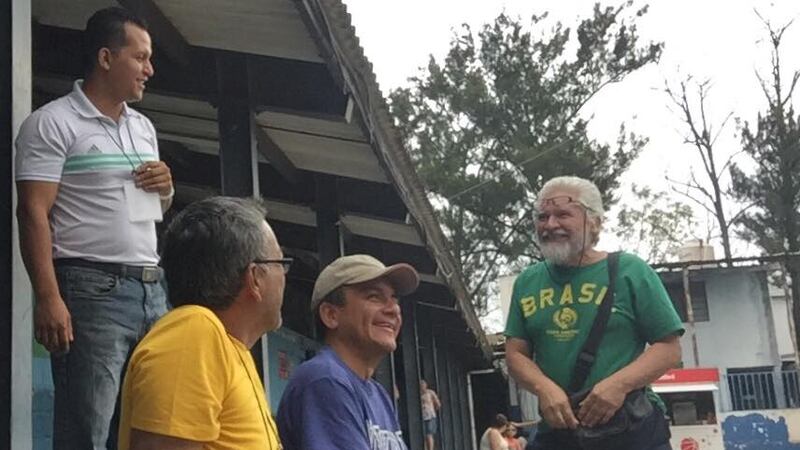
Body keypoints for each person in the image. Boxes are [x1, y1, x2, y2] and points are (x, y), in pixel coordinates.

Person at [14, 7, 172, 449]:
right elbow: (32, 212)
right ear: (106, 58)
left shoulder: (143, 128)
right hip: (90, 289)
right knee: (87, 432)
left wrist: (166, 188)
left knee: (144, 428)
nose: (149, 70)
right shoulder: (52, 123)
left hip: (151, 288)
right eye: (140, 58)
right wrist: (48, 298)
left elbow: (153, 206)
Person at [504, 176, 684, 450]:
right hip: (560, 433)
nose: (550, 224)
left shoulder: (630, 271)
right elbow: (516, 354)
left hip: (630, 431)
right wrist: (543, 388)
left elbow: (669, 349)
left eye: (563, 214)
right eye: (542, 217)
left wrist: (618, 385)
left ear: (595, 222)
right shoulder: (527, 282)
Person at [118, 196, 287, 449]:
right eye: (281, 264)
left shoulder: (226, 346)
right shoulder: (194, 332)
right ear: (255, 278)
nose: (284, 276)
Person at [276, 254, 419, 450]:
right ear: (331, 315)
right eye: (374, 297)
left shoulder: (378, 394)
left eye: (394, 298)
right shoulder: (325, 379)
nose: (393, 309)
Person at [420, 379, 442, 450]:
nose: (422, 387)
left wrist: (432, 409)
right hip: (422, 417)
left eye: (423, 385)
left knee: (429, 434)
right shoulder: (418, 394)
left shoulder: (430, 393)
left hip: (429, 416)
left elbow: (438, 404)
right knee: (424, 435)